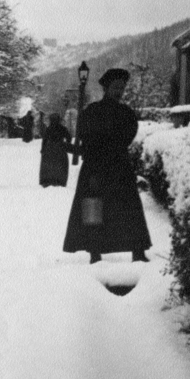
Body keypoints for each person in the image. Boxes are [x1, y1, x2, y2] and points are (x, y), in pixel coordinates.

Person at [62, 67, 152, 263]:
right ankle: (95, 250)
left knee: (128, 209)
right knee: (94, 208)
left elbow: (128, 136)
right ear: (106, 88)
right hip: (96, 167)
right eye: (116, 87)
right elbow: (87, 137)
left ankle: (137, 250)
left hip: (119, 166)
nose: (119, 91)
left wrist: (111, 147)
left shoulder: (126, 113)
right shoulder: (92, 112)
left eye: (122, 87)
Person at [39, 112, 73, 187]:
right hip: (60, 149)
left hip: (49, 149)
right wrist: (66, 145)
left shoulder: (48, 129)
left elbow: (44, 140)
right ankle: (59, 181)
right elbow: (69, 138)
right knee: (60, 165)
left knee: (49, 165)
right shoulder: (63, 128)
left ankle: (47, 180)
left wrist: (43, 149)